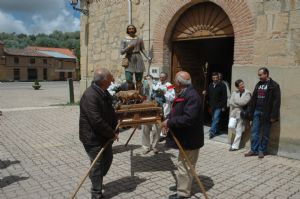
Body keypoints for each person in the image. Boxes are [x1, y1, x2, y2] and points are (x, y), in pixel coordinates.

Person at [161, 71, 204, 199]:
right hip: (185, 139)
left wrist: (169, 122)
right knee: (183, 165)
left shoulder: (192, 96)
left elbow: (188, 118)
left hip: (190, 140)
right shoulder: (184, 93)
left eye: (175, 81)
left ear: (179, 83)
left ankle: (183, 194)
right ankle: (182, 188)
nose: (174, 83)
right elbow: (177, 111)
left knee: (185, 166)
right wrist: (168, 119)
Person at [79, 68, 119, 199]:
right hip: (92, 137)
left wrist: (115, 128)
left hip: (104, 135)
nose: (112, 80)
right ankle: (96, 193)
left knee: (107, 160)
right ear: (103, 81)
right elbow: (96, 121)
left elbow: (111, 111)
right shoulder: (90, 95)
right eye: (110, 78)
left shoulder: (104, 92)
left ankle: (95, 177)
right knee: (97, 165)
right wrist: (111, 133)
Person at [245, 67, 281, 158]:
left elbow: (276, 102)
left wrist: (274, 116)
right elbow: (253, 99)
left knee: (265, 133)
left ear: (266, 74)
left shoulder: (274, 85)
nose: (259, 77)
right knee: (254, 132)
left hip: (267, 113)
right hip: (256, 111)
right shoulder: (258, 84)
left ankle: (262, 150)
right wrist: (250, 112)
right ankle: (254, 150)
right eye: (259, 75)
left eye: (260, 75)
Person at [120, 24, 151, 93]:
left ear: (135, 30)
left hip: (138, 58)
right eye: (129, 29)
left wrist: (147, 56)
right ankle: (132, 93)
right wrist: (128, 47)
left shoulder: (139, 39)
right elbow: (121, 52)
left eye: (132, 29)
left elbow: (143, 49)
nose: (131, 30)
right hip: (129, 58)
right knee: (128, 79)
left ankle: (138, 94)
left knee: (139, 79)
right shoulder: (124, 40)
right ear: (127, 30)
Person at [152, 72, 175, 142]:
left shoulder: (169, 85)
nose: (161, 79)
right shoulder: (157, 84)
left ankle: (163, 134)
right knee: (157, 118)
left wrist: (165, 93)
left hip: (165, 105)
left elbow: (173, 97)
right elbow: (153, 94)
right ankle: (157, 133)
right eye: (160, 77)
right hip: (157, 105)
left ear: (166, 78)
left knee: (164, 118)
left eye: (163, 77)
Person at [228, 79, 251, 151]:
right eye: (241, 85)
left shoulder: (248, 93)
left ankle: (235, 146)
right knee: (231, 126)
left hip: (241, 113)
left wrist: (236, 102)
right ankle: (240, 132)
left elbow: (244, 102)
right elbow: (230, 102)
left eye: (243, 84)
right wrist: (238, 103)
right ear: (237, 87)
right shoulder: (234, 92)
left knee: (238, 129)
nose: (243, 85)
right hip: (234, 113)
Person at [204, 72, 227, 139]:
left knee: (216, 118)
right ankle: (217, 130)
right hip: (212, 105)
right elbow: (208, 94)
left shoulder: (222, 85)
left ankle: (212, 132)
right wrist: (205, 93)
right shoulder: (210, 85)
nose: (215, 79)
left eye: (216, 78)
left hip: (219, 105)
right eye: (214, 78)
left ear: (218, 78)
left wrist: (224, 106)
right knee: (213, 118)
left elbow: (224, 97)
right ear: (212, 78)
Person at [141, 74, 160, 154]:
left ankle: (155, 146)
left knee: (156, 130)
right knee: (145, 130)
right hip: (145, 111)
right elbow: (140, 98)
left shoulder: (157, 87)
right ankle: (146, 147)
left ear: (152, 79)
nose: (147, 80)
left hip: (155, 111)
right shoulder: (142, 87)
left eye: (149, 79)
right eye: (146, 79)